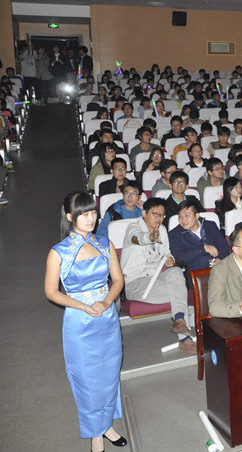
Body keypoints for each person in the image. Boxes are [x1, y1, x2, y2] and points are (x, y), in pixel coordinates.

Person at [43, 192, 127, 452]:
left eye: (93, 213)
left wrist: (107, 301)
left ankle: (106, 424)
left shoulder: (104, 243)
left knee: (110, 374)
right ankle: (96, 433)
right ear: (70, 217)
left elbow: (118, 280)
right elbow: (51, 292)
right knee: (87, 381)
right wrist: (83, 306)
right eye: (84, 214)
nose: (91, 218)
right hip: (79, 324)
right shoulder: (59, 252)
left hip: (107, 320)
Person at [121, 198, 196, 354]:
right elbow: (137, 238)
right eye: (154, 214)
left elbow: (167, 253)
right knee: (179, 292)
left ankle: (180, 321)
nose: (158, 218)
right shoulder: (133, 228)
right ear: (144, 213)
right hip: (135, 282)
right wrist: (150, 237)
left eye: (161, 215)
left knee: (176, 272)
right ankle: (185, 337)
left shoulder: (162, 229)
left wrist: (170, 260)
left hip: (156, 276)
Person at [169, 198, 230, 270]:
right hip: (197, 272)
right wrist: (202, 249)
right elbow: (180, 258)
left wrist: (219, 259)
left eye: (186, 215)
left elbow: (224, 246)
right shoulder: (175, 234)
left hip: (220, 266)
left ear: (197, 215)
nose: (183, 220)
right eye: (180, 216)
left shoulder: (210, 225)